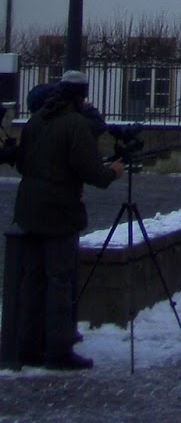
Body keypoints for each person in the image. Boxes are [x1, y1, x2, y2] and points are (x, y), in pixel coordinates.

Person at [14, 70, 123, 370]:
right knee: (60, 280)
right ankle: (59, 349)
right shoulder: (75, 125)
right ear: (80, 95)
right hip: (59, 212)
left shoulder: (36, 120)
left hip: (29, 209)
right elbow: (92, 173)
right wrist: (113, 171)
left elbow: (23, 163)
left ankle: (27, 346)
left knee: (32, 280)